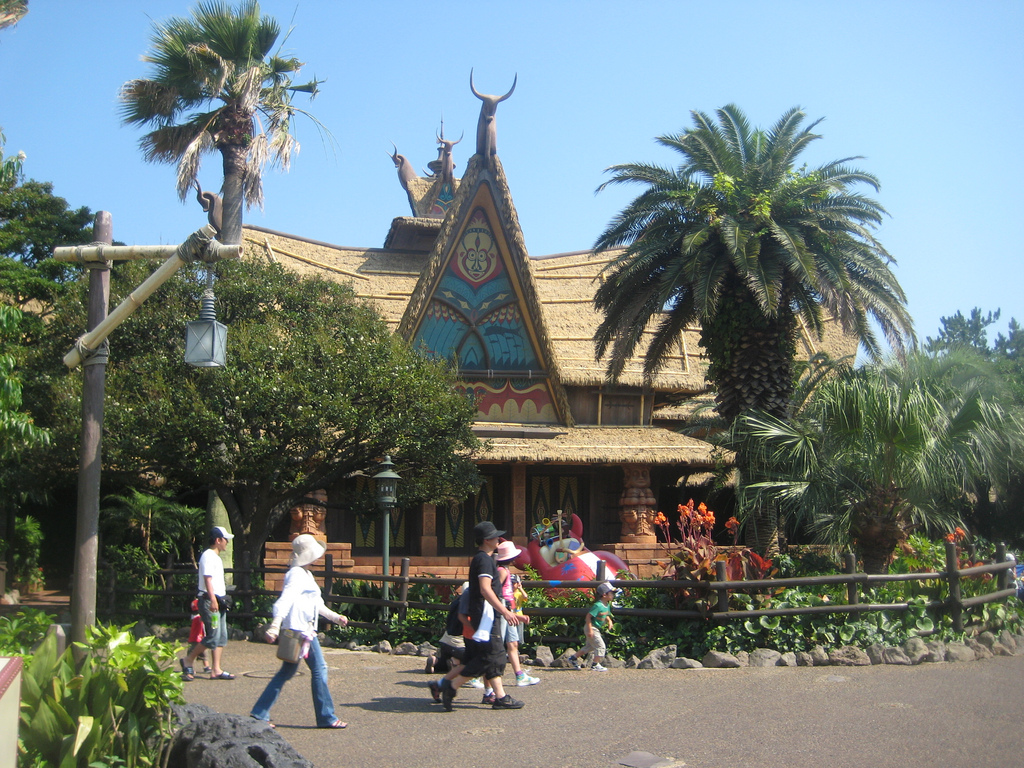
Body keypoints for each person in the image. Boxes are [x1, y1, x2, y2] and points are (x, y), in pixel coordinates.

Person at [250, 534, 349, 729]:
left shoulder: (305, 574)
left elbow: (317, 604)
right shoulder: (296, 574)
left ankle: (260, 713)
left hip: (301, 630)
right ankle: (326, 716)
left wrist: (335, 617)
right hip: (299, 631)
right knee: (319, 669)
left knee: (286, 672)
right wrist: (274, 625)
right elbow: (285, 600)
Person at [439, 521, 524, 711]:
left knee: (489, 655)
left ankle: (499, 696)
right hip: (486, 614)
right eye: (495, 537)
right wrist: (505, 611)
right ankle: (450, 686)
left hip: (484, 613)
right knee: (492, 656)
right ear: (486, 540)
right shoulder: (484, 560)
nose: (498, 539)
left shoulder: (484, 559)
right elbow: (486, 589)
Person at [180, 525, 234, 681]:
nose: (227, 543)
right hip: (211, 601)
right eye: (225, 540)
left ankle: (216, 669)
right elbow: (207, 579)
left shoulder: (215, 557)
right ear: (218, 540)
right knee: (212, 635)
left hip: (219, 601)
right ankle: (188, 660)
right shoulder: (208, 556)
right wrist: (213, 599)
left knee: (221, 635)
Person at [494, 540, 539, 691]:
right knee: (498, 644)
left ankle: (519, 675)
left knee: (513, 643)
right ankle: (485, 676)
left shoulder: (505, 570)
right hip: (503, 609)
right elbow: (496, 591)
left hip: (510, 609)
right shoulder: (502, 571)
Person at [567, 582, 615, 672]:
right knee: (601, 646)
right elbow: (588, 616)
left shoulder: (606, 605)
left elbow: (606, 615)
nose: (613, 595)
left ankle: (573, 658)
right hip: (592, 628)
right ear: (604, 595)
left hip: (595, 628)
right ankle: (595, 664)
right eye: (611, 593)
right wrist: (589, 630)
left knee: (590, 647)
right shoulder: (598, 605)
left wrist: (609, 621)